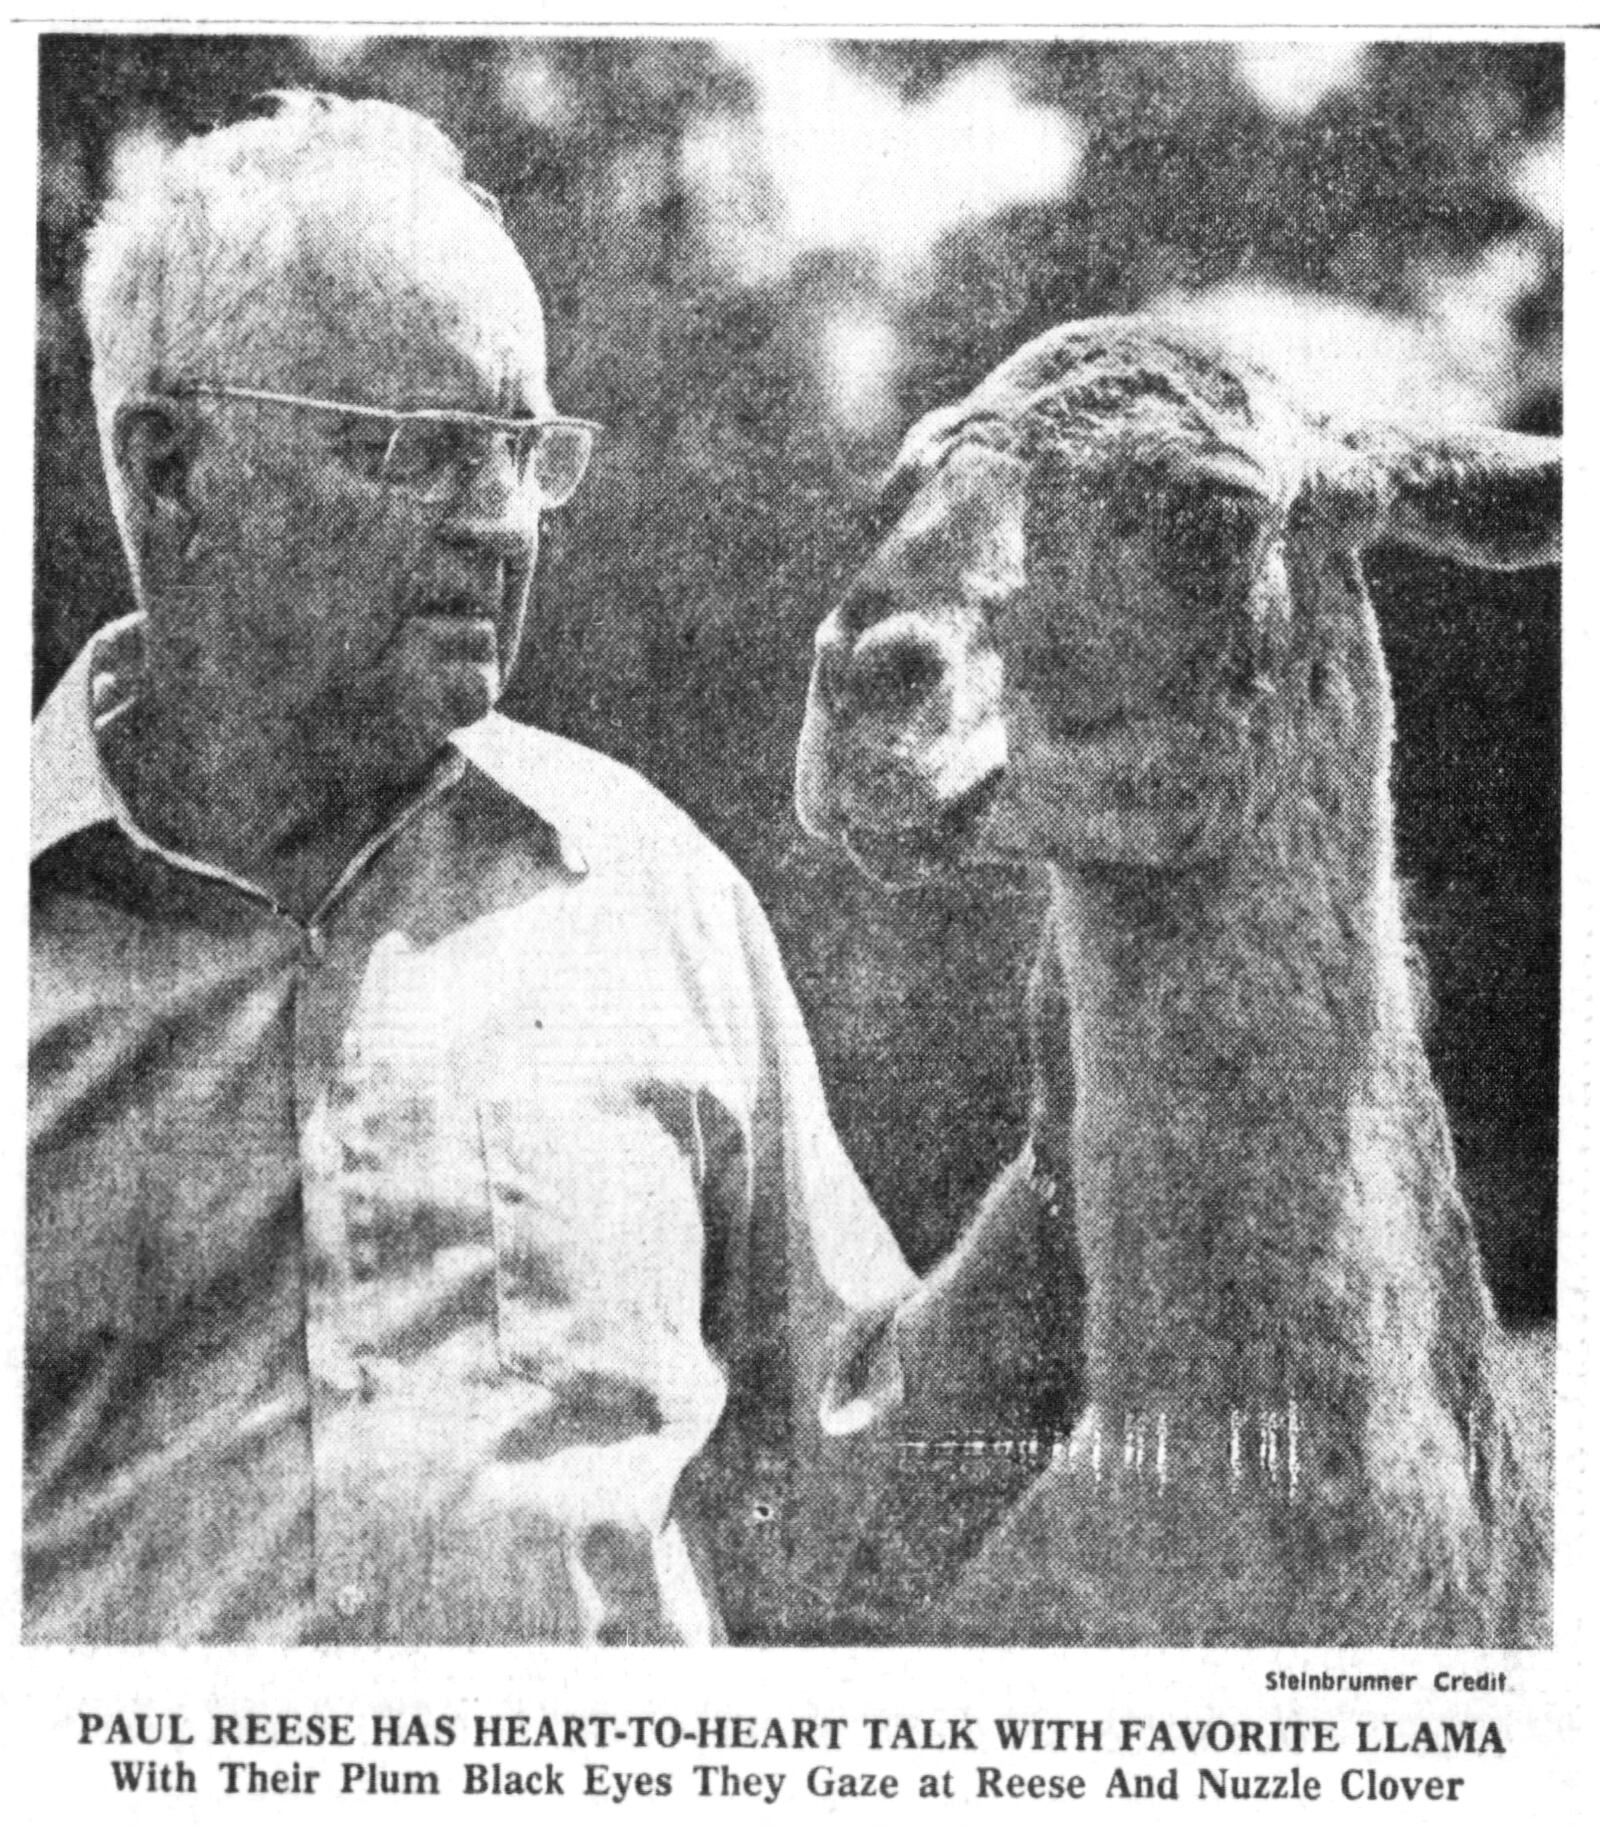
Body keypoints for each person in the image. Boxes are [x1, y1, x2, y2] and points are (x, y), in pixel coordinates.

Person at [27, 92, 1071, 1645]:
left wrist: (1107, 1142)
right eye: (424, 451)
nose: (505, 522)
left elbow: (857, 1503)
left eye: (526, 450)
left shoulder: (655, 896)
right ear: (171, 467)